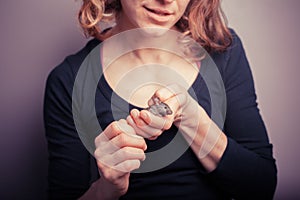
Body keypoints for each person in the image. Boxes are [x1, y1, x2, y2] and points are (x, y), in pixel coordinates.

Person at [44, 0, 277, 199]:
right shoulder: (69, 79)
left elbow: (261, 187)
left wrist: (189, 115)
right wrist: (108, 187)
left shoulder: (222, 50)